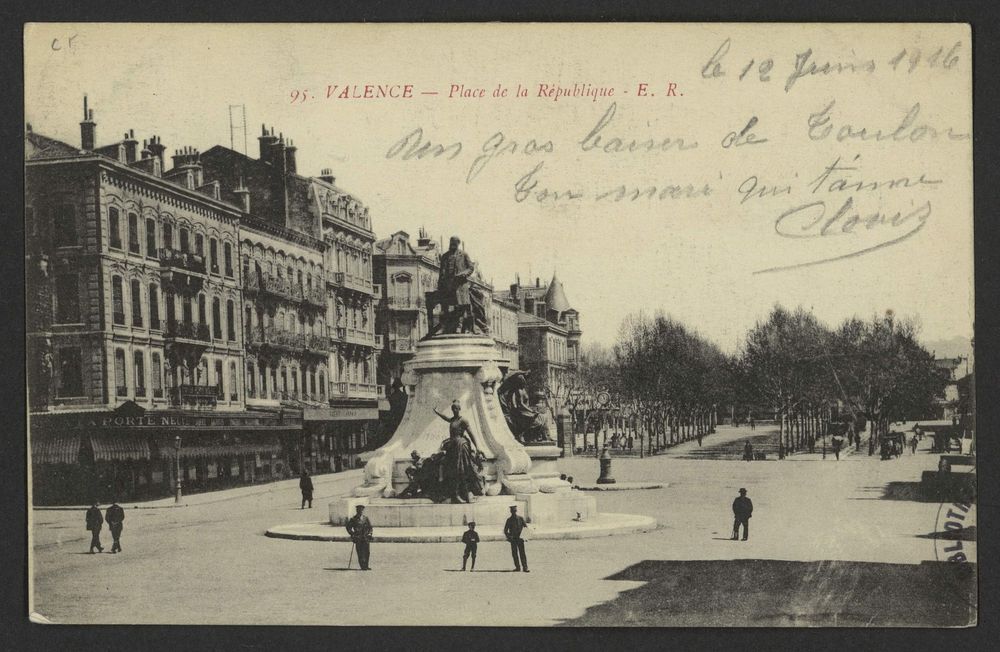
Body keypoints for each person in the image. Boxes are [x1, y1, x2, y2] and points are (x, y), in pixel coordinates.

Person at [346, 504, 374, 570]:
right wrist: (352, 534)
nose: (360, 511)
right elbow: (348, 527)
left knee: (367, 552)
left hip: (365, 537)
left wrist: (370, 534)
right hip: (358, 538)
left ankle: (366, 565)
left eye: (361, 510)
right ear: (357, 511)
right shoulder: (353, 519)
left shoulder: (365, 518)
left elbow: (370, 527)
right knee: (360, 552)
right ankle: (362, 566)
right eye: (359, 510)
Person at [503, 505, 529, 572]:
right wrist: (509, 537)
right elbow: (505, 530)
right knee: (514, 554)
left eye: (514, 511)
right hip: (513, 539)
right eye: (512, 511)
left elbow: (525, 527)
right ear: (511, 512)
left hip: (520, 539)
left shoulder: (520, 518)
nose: (514, 512)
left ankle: (525, 567)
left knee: (522, 553)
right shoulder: (509, 520)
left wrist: (525, 536)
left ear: (516, 511)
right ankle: (517, 567)